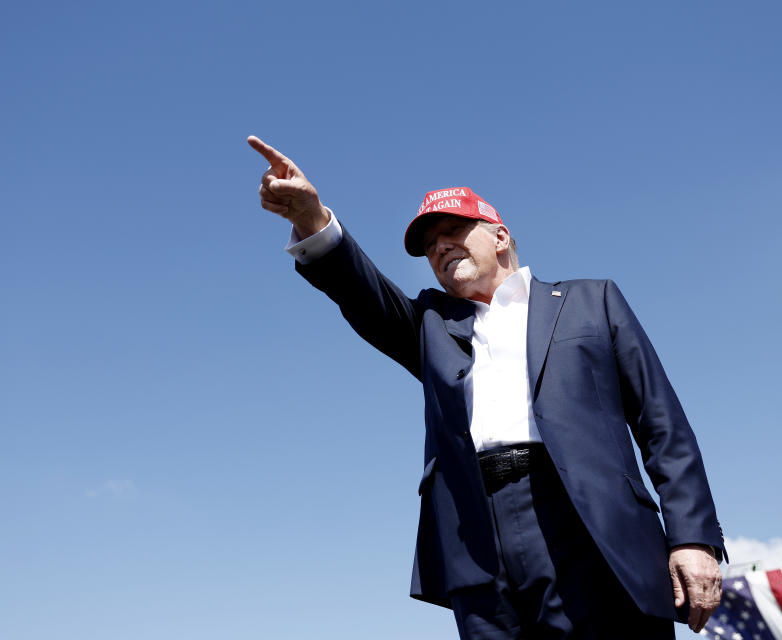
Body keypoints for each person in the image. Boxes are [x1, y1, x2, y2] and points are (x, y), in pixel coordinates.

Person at [247, 135, 726, 639]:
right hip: (474, 535)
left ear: (498, 236)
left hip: (589, 523)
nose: (439, 249)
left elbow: (662, 424)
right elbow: (358, 288)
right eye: (430, 247)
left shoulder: (592, 301)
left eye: (453, 231)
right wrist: (310, 215)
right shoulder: (429, 324)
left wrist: (692, 537)